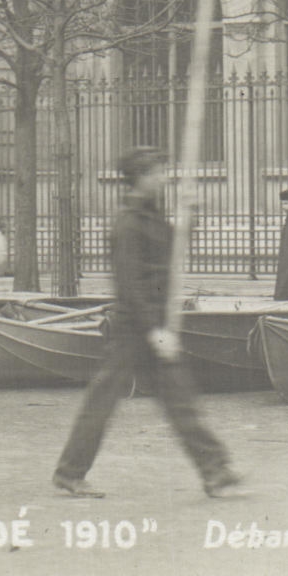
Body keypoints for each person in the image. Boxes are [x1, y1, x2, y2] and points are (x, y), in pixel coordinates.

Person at [52, 148, 241, 500]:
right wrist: (153, 330)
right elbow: (129, 284)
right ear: (140, 178)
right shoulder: (128, 223)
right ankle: (69, 472)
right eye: (157, 173)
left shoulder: (152, 218)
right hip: (133, 328)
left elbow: (175, 254)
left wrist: (192, 212)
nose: (164, 179)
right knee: (104, 401)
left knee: (178, 398)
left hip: (153, 323)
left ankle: (215, 470)